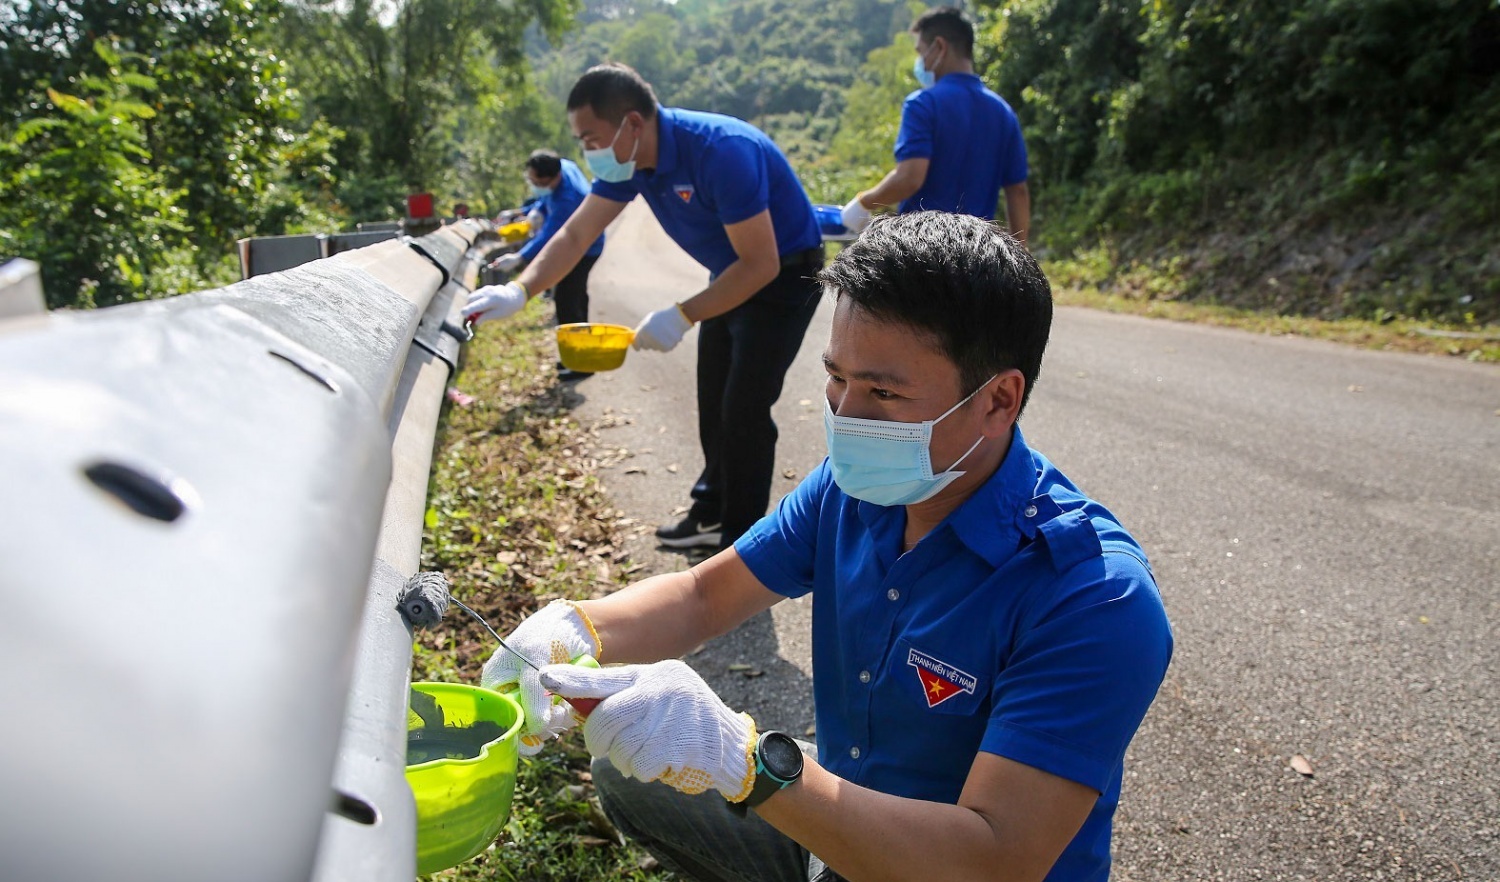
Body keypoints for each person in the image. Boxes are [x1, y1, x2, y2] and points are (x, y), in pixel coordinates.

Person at [482, 212, 1173, 882]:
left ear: (998, 401)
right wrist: (576, 627)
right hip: (845, 825)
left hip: (949, 865)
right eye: (837, 378)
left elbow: (991, 861)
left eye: (882, 391)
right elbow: (702, 596)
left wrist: (749, 766)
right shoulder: (851, 492)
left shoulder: (1092, 595)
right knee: (631, 774)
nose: (846, 416)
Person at [464, 62, 826, 551]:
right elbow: (575, 232)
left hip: (782, 275)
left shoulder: (721, 151)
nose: (587, 153)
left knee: (744, 408)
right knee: (713, 399)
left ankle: (741, 546)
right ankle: (711, 510)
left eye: (591, 139)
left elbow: (760, 265)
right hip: (730, 272)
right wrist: (520, 291)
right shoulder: (633, 161)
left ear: (632, 123)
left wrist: (682, 314)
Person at [841, 7, 1031, 247]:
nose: (921, 63)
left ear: (939, 47)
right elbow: (1018, 191)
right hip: (978, 252)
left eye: (921, 52)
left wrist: (863, 203)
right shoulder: (1003, 112)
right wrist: (1020, 253)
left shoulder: (923, 104)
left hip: (921, 251)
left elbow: (909, 178)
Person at [489, 150, 607, 381]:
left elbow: (549, 237)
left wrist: (520, 258)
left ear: (551, 178)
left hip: (584, 248)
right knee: (576, 297)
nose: (533, 185)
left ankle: (580, 363)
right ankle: (581, 355)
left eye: (536, 182)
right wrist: (527, 211)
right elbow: (545, 199)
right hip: (582, 242)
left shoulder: (568, 199)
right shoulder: (562, 167)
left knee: (567, 299)